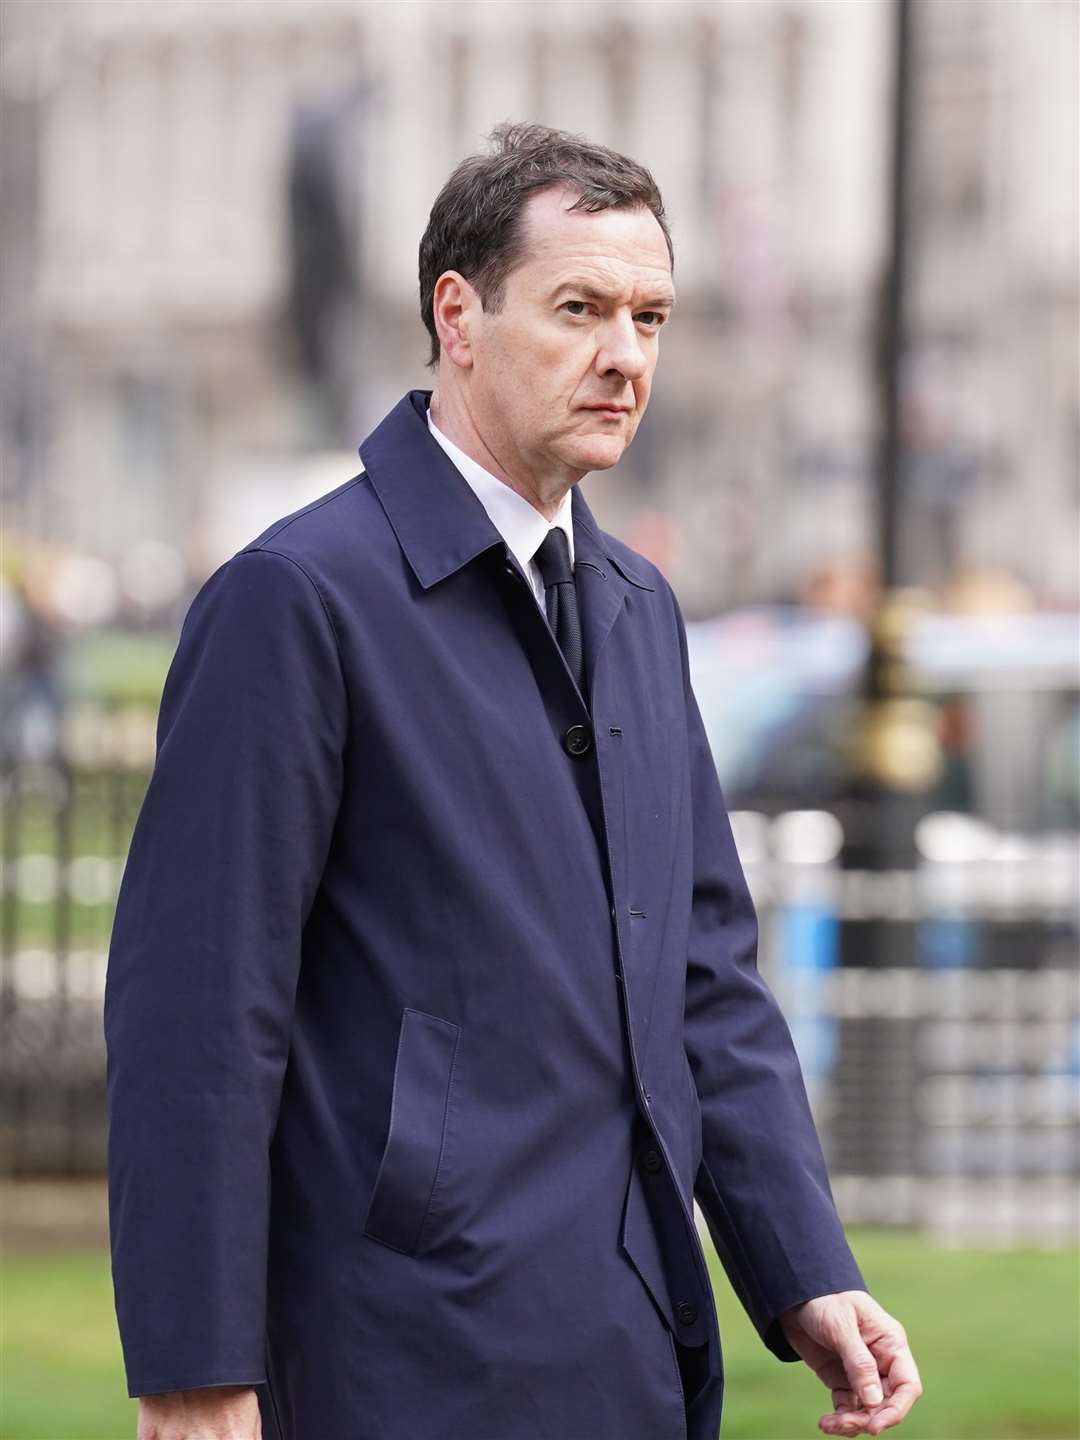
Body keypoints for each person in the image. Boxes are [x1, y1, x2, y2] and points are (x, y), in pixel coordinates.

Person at [105, 122, 922, 1440]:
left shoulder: (641, 608)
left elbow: (703, 978)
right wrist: (195, 1373)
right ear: (459, 315)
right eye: (581, 308)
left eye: (651, 316)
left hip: (634, 1352)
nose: (626, 355)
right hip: (395, 1361)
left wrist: (806, 1268)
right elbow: (197, 1017)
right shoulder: (296, 601)